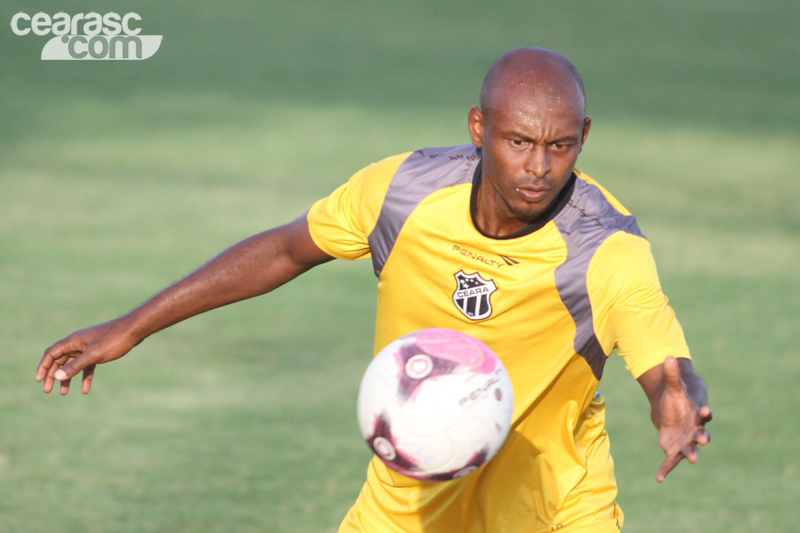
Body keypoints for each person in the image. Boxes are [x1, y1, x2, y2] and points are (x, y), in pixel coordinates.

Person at [36, 47, 712, 532]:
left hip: (554, 505)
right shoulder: (403, 192)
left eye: (561, 146)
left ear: (584, 137)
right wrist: (131, 325)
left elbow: (663, 363)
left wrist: (676, 403)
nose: (539, 167)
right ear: (479, 130)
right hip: (409, 497)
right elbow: (283, 249)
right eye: (518, 141)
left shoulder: (604, 245)